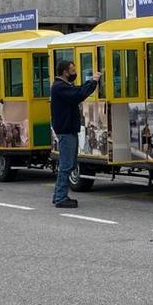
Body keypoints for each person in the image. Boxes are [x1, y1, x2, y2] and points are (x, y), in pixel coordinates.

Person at [51, 61, 100, 208]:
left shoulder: (64, 86)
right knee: (66, 165)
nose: (74, 72)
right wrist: (93, 82)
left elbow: (78, 90)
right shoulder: (59, 87)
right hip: (65, 131)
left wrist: (90, 82)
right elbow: (78, 94)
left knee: (70, 164)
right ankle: (60, 197)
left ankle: (58, 195)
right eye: (72, 70)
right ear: (65, 72)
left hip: (69, 129)